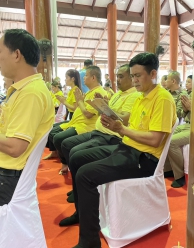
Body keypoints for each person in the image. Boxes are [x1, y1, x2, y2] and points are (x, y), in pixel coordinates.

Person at [59, 52, 176, 248]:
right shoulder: (142, 97)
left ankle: (90, 241)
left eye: (138, 76)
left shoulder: (163, 99)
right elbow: (129, 121)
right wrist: (110, 116)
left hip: (144, 159)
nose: (135, 80)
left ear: (153, 74)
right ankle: (81, 212)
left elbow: (155, 140)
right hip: (127, 148)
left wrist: (121, 130)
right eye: (133, 76)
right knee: (76, 159)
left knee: (85, 174)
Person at [60, 64, 140, 202]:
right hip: (98, 131)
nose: (117, 80)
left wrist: (81, 101)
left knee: (74, 153)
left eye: (121, 77)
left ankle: (80, 191)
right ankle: (77, 190)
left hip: (110, 136)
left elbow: (123, 119)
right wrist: (102, 103)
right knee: (68, 147)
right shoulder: (117, 94)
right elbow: (110, 109)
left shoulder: (134, 95)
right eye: (117, 77)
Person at [0, 29, 54, 206]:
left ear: (16, 54)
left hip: (7, 174)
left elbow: (15, 148)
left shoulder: (30, 93)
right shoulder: (22, 90)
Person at [45, 66, 107, 174]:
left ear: (93, 78)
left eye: (86, 75)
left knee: (59, 138)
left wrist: (79, 101)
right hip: (76, 121)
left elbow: (87, 114)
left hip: (85, 126)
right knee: (52, 131)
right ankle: (64, 160)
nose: (84, 78)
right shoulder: (90, 92)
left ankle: (67, 163)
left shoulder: (99, 93)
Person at [165, 74, 193, 188]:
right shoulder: (190, 94)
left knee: (172, 142)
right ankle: (169, 169)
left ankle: (180, 176)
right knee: (165, 135)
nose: (186, 84)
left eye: (189, 82)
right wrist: (186, 109)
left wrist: (191, 108)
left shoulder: (188, 93)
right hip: (187, 124)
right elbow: (184, 113)